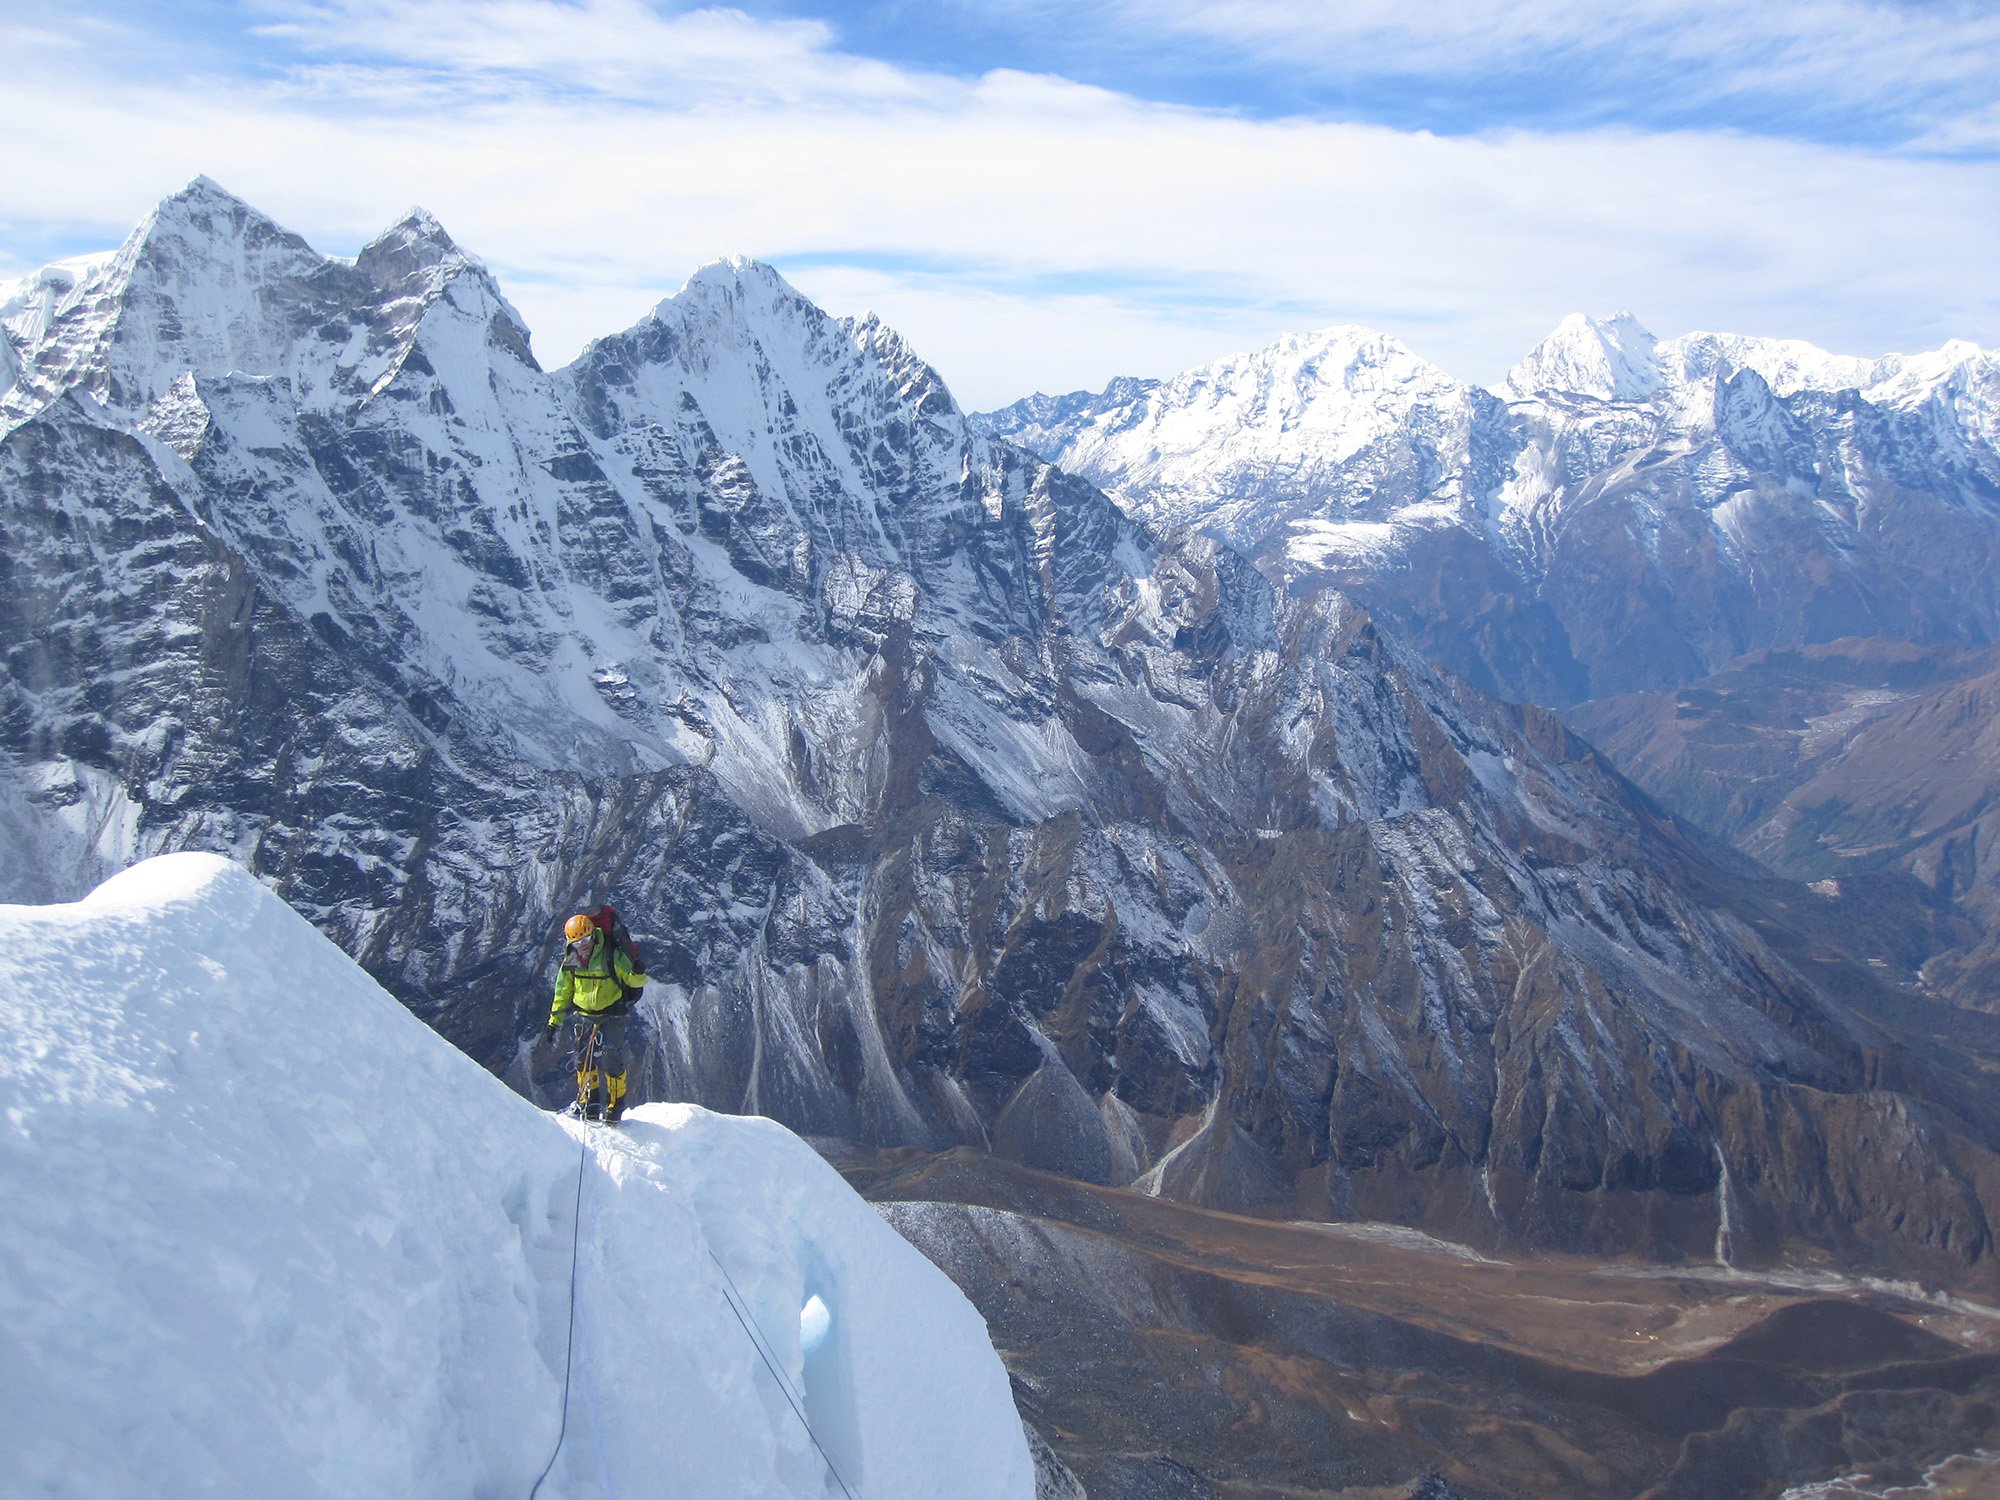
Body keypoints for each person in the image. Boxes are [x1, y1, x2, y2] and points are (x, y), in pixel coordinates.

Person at [546, 912, 645, 1122]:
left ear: (593, 934)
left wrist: (637, 972)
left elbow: (634, 981)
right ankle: (588, 1104)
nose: (583, 945)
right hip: (584, 1016)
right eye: (577, 942)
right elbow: (563, 989)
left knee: (612, 1059)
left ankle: (614, 1108)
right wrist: (554, 1021)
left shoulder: (610, 954)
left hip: (611, 1015)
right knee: (583, 1060)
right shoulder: (572, 959)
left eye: (586, 939)